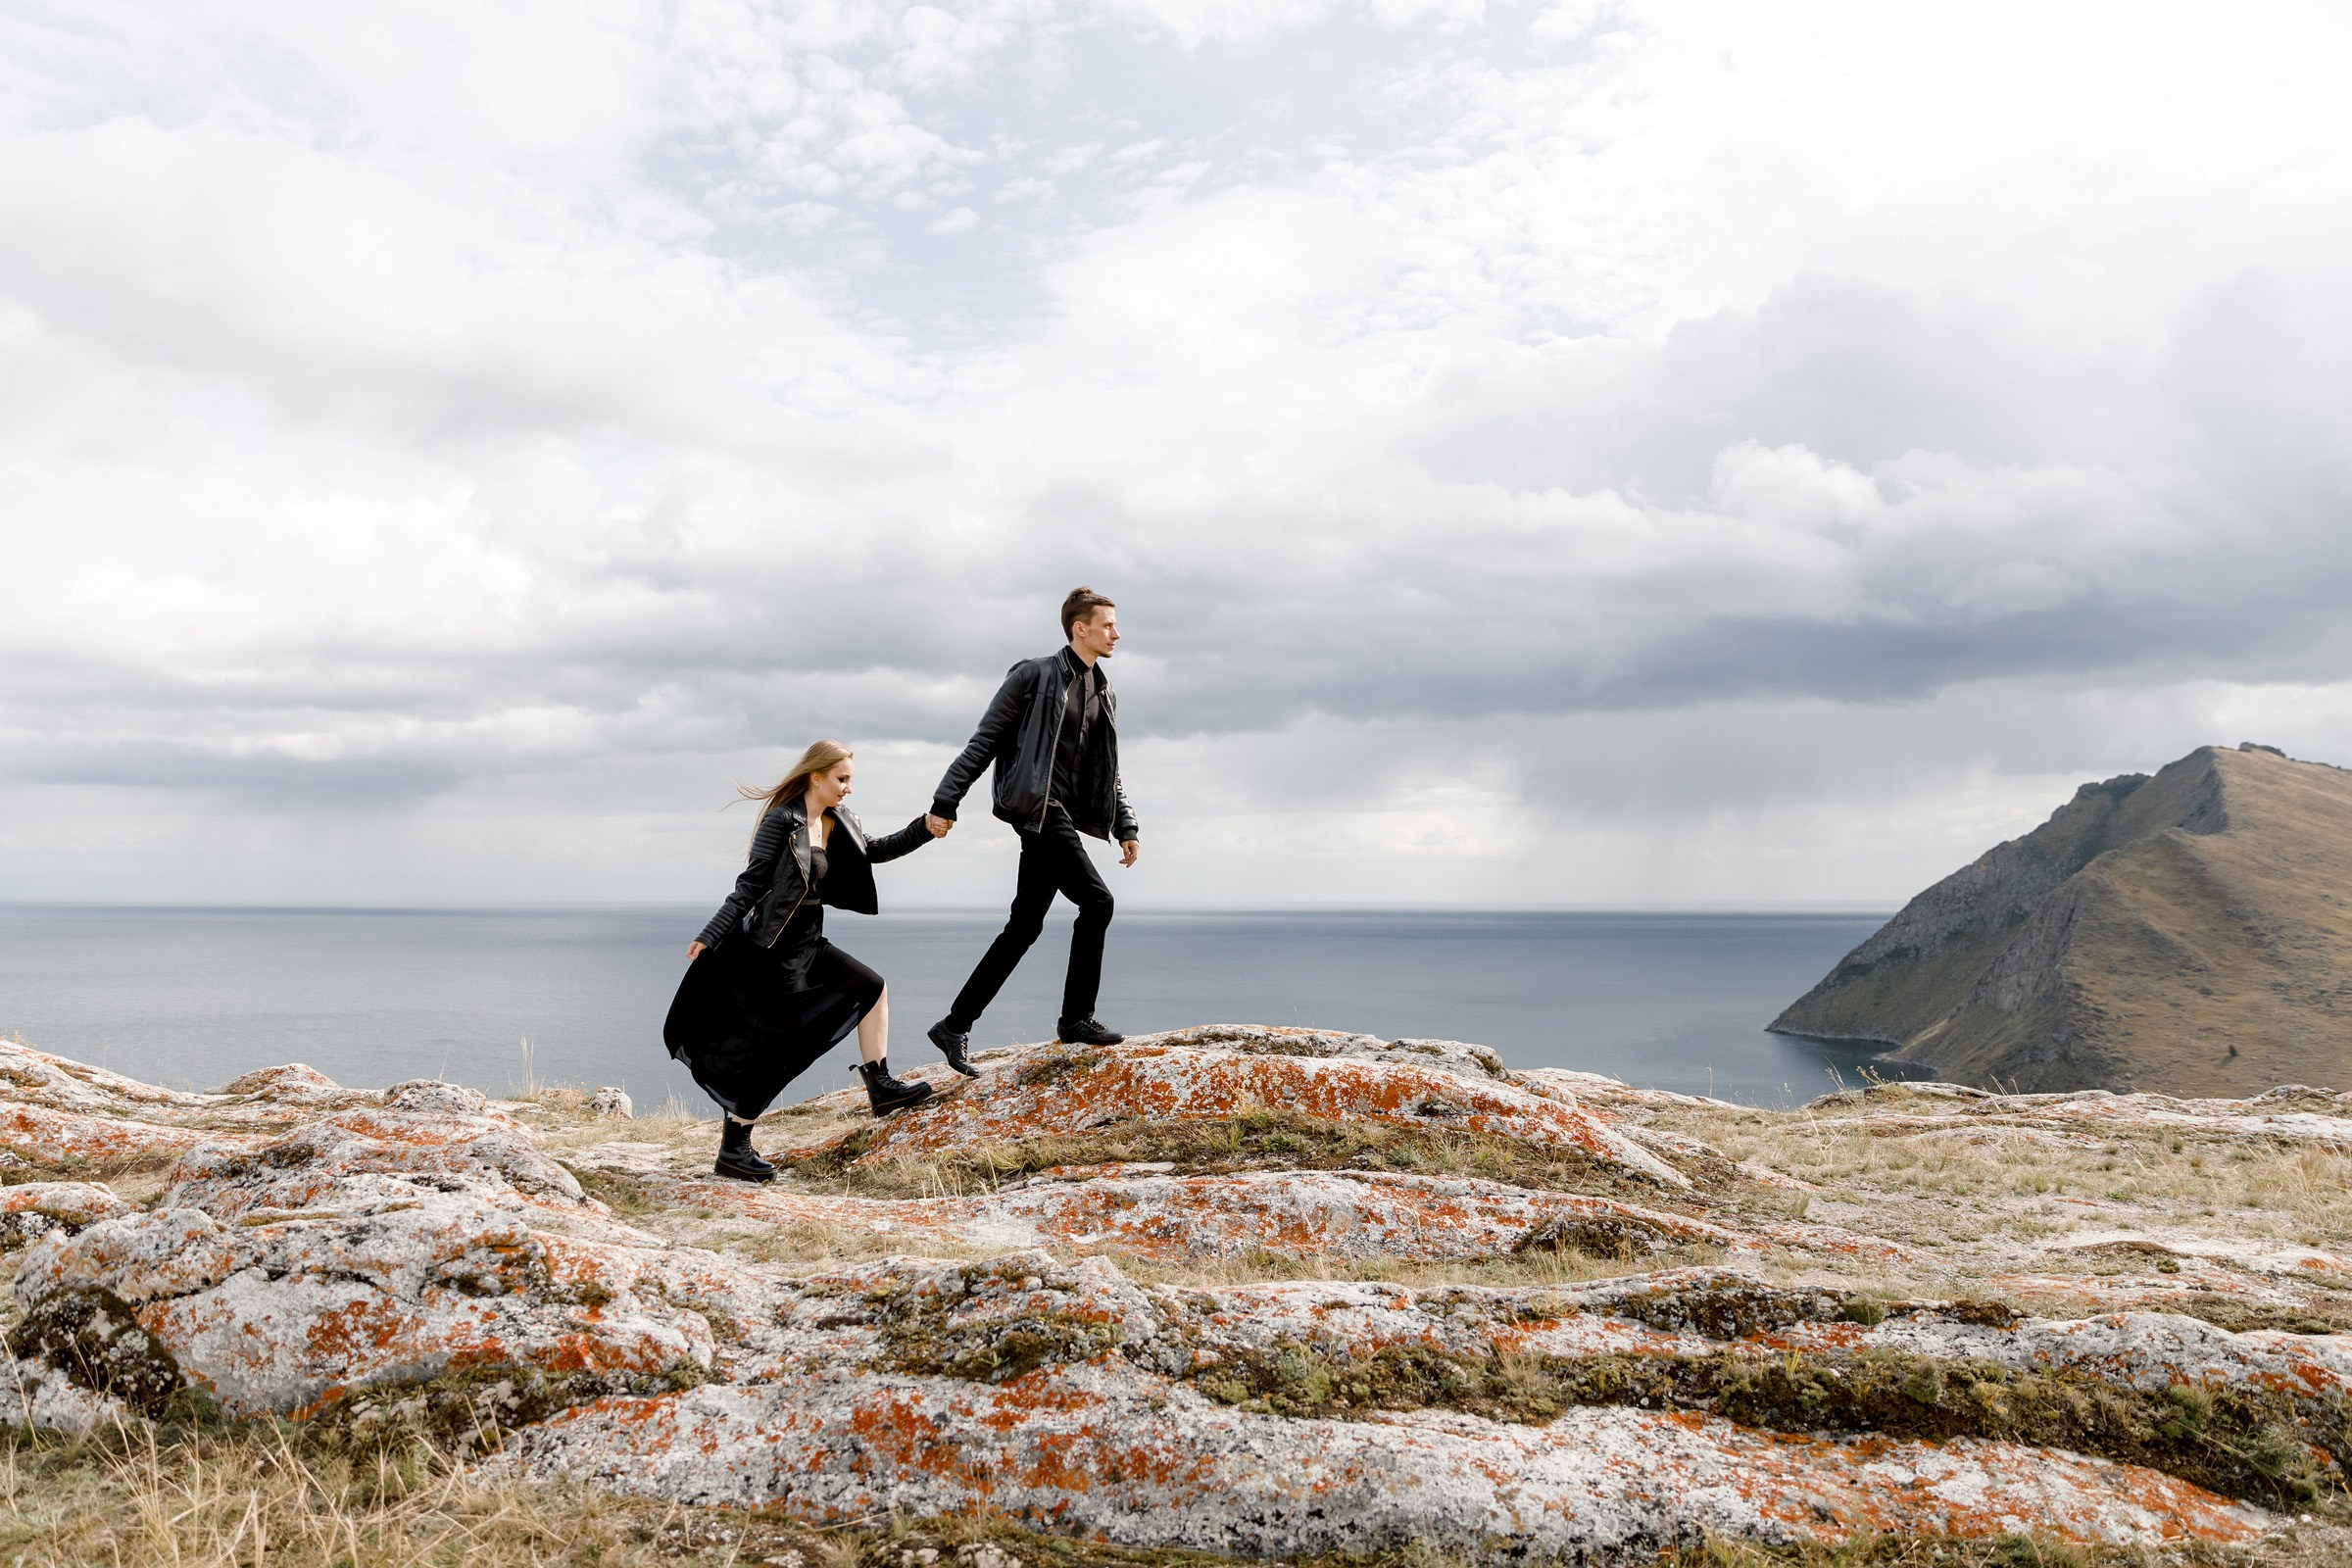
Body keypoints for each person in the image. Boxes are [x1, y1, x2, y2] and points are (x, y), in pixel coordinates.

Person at [664, 740, 949, 1182]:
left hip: (810, 941)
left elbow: (875, 849)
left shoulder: (838, 820)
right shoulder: (783, 821)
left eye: (850, 779)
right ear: (816, 777)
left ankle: (881, 1086)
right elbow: (750, 886)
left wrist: (925, 828)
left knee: (871, 988)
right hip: (772, 952)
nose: (848, 788)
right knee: (776, 1049)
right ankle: (735, 1147)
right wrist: (711, 933)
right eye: (842, 779)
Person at [922, 586, 1140, 1074]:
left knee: (1024, 926)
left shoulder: (1102, 690)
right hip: (1037, 811)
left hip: (1058, 814)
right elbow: (984, 741)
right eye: (1108, 625)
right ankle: (1076, 1019)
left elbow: (1110, 769)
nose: (1116, 634)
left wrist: (1124, 823)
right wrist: (945, 800)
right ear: (1079, 628)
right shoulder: (1033, 675)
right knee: (1098, 902)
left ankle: (954, 1025)